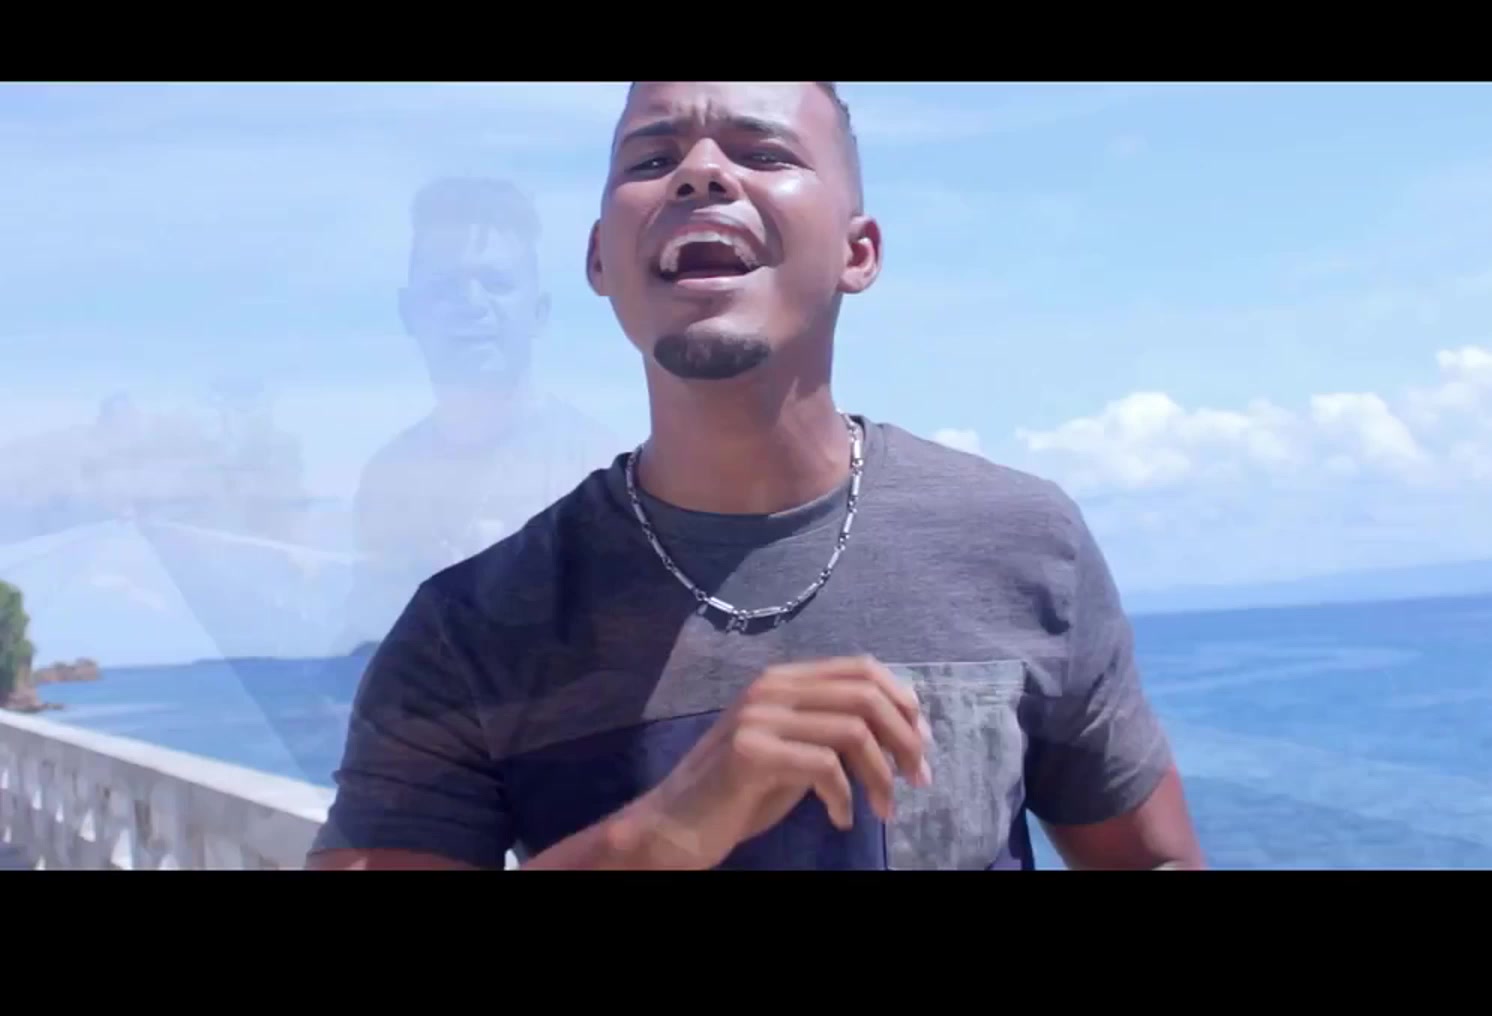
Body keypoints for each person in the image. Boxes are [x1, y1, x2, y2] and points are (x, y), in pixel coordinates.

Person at [306, 82, 1203, 870]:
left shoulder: (1023, 545)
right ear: (598, 260)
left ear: (858, 252)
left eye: (763, 152)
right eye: (652, 159)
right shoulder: (466, 632)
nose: (700, 173)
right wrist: (665, 831)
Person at [336, 177, 621, 649]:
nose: (470, 303)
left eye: (496, 283)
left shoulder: (598, 473)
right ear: (409, 312)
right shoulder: (388, 477)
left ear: (539, 312)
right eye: (446, 286)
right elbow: (363, 645)